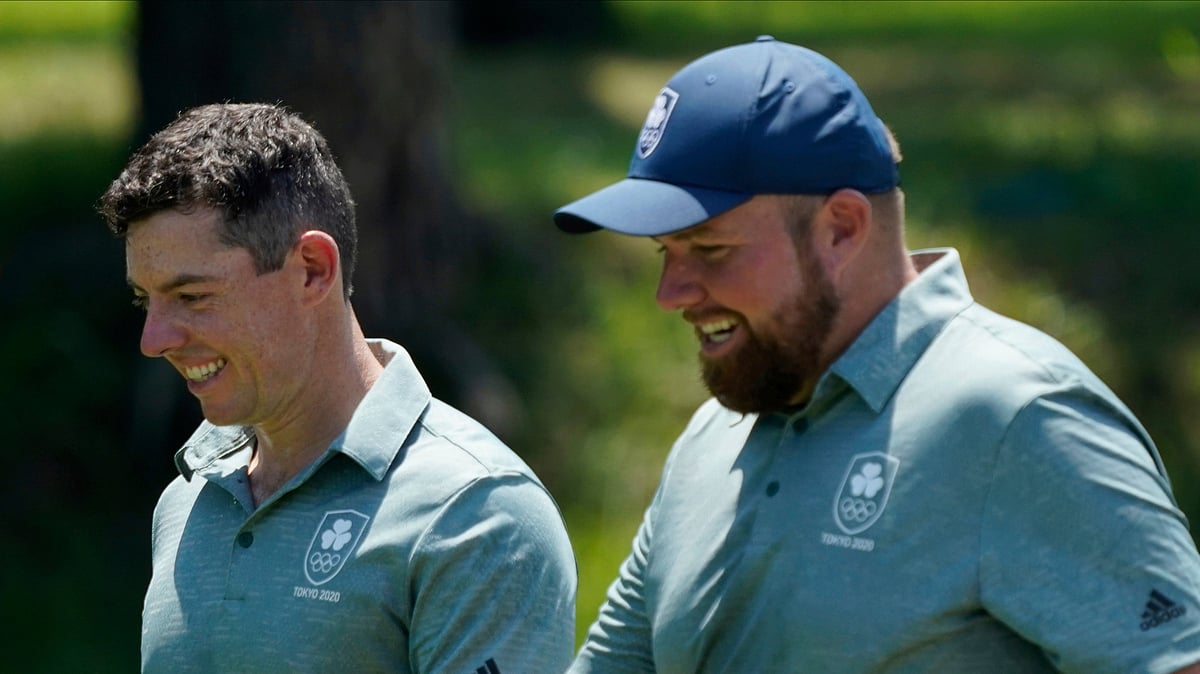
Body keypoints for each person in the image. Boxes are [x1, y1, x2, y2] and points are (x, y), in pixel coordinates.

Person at [552, 36, 1200, 673]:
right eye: (666, 252)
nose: (671, 294)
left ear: (842, 228)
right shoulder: (711, 441)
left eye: (711, 249)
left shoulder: (1018, 417)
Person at [99, 102, 576, 673]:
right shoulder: (187, 500)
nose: (154, 340)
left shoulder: (475, 514)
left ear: (312, 270)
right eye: (143, 301)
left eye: (192, 297)